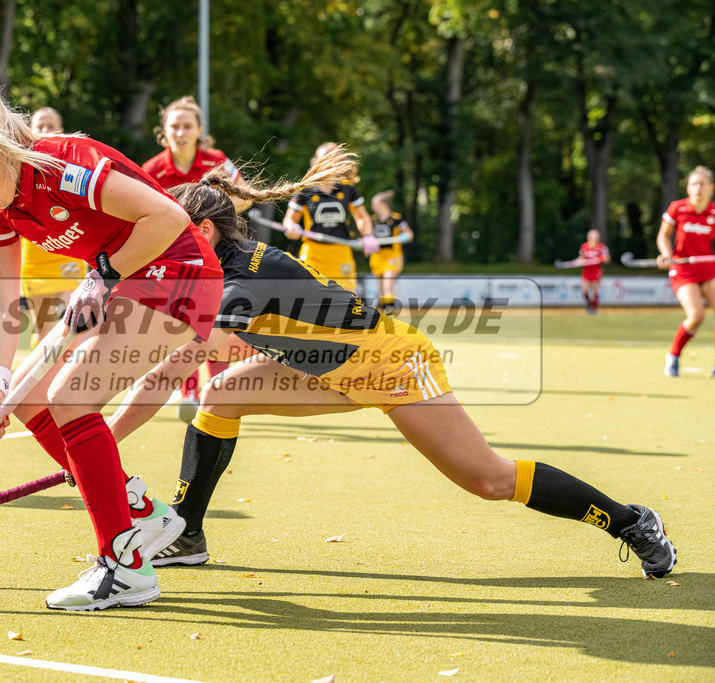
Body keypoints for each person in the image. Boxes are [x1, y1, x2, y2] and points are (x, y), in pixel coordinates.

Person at [106, 161, 677, 581]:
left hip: (390, 365)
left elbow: (170, 367)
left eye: (167, 234)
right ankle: (188, 532)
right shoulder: (213, 273)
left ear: (201, 233)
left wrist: (96, 446)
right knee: (223, 396)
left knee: (488, 480)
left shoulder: (241, 281)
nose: (158, 248)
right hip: (326, 369)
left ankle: (629, 520)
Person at [0, 79, 226, 611]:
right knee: (26, 396)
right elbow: (2, 307)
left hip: (181, 272)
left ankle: (123, 567)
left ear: (3, 147)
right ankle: (138, 510)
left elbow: (169, 217)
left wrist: (104, 274)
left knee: (69, 397)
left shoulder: (65, 164)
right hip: (126, 280)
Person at [141, 96, 248, 419]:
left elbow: (245, 198)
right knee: (183, 324)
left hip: (220, 255)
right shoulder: (152, 169)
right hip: (176, 259)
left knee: (217, 323)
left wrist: (216, 210)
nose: (181, 132)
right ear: (164, 131)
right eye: (175, 126)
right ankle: (188, 393)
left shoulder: (217, 160)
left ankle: (218, 390)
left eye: (188, 126)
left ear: (200, 130)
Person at [20, 107, 86, 348]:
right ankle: (40, 381)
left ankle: (68, 379)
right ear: (30, 131)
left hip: (67, 254)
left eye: (51, 126)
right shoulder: (18, 166)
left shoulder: (73, 163)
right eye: (40, 126)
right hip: (34, 260)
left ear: (61, 130)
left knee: (71, 321)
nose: (45, 131)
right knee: (44, 329)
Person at [283, 142, 379, 295]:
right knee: (308, 298)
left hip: (341, 252)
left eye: (331, 160)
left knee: (348, 301)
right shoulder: (305, 190)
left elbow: (362, 217)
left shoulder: (348, 189)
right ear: (315, 162)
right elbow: (290, 219)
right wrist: (291, 228)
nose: (326, 164)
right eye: (322, 160)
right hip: (313, 253)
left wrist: (367, 235)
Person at [657, 166, 715, 377]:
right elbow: (663, 236)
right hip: (683, 270)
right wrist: (666, 254)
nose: (697, 188)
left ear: (711, 188)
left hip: (708, 269)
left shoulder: (713, 212)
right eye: (693, 184)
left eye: (701, 184)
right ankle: (673, 356)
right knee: (696, 316)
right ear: (688, 187)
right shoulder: (678, 208)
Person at [368, 189, 413, 316]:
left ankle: (391, 313)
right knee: (381, 289)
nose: (372, 207)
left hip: (392, 256)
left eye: (374, 203)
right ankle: (383, 316)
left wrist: (402, 238)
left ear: (383, 204)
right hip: (376, 257)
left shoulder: (396, 219)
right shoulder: (372, 220)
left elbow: (409, 234)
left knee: (388, 286)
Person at [578, 229, 610, 315]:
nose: (594, 239)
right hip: (586, 270)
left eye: (595, 237)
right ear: (588, 237)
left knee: (595, 290)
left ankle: (594, 308)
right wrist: (577, 261)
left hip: (596, 270)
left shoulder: (602, 247)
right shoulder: (584, 246)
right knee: (584, 290)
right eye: (592, 237)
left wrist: (601, 258)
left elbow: (607, 259)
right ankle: (589, 305)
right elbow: (581, 257)